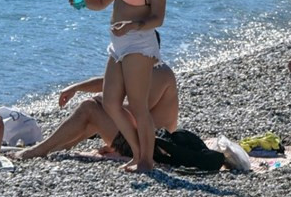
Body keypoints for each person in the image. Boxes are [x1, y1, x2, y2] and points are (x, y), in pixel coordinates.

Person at [75, 0, 166, 172]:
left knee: (138, 106)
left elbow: (158, 18)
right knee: (111, 102)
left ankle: (147, 161)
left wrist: (133, 25)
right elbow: (102, 2)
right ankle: (137, 154)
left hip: (139, 44)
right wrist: (81, 1)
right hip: (118, 45)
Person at [12, 61, 178, 160]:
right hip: (142, 140)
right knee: (92, 110)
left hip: (153, 148)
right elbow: (109, 83)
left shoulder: (158, 72)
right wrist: (77, 87)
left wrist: (104, 102)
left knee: (89, 109)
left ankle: (39, 150)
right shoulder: (144, 68)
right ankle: (55, 146)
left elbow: (138, 113)